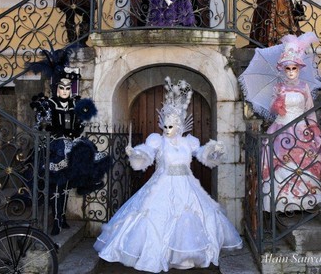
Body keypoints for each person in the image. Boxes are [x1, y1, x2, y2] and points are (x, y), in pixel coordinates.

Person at [94, 77, 242, 273]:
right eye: (165, 125)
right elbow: (146, 153)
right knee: (154, 217)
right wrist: (135, 153)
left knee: (190, 218)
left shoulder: (190, 142)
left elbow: (203, 156)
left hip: (187, 184)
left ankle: (185, 255)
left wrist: (215, 149)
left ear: (179, 126)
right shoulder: (157, 140)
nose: (167, 129)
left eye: (171, 126)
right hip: (161, 184)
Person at [30, 72, 111, 236]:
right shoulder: (49, 104)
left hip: (72, 147)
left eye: (68, 88)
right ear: (57, 89)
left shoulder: (76, 104)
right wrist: (53, 127)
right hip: (56, 148)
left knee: (67, 184)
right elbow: (42, 125)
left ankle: (62, 217)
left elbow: (81, 123)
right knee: (56, 185)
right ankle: (57, 220)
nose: (65, 91)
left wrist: (76, 130)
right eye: (62, 88)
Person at [262, 32, 321, 213]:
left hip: (301, 130)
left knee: (305, 159)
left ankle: (305, 200)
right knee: (279, 161)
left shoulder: (304, 87)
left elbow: (309, 109)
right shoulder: (278, 87)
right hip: (281, 127)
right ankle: (283, 202)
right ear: (282, 69)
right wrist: (276, 104)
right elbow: (272, 109)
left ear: (299, 69)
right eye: (288, 69)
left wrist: (314, 129)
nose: (291, 72)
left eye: (294, 68)